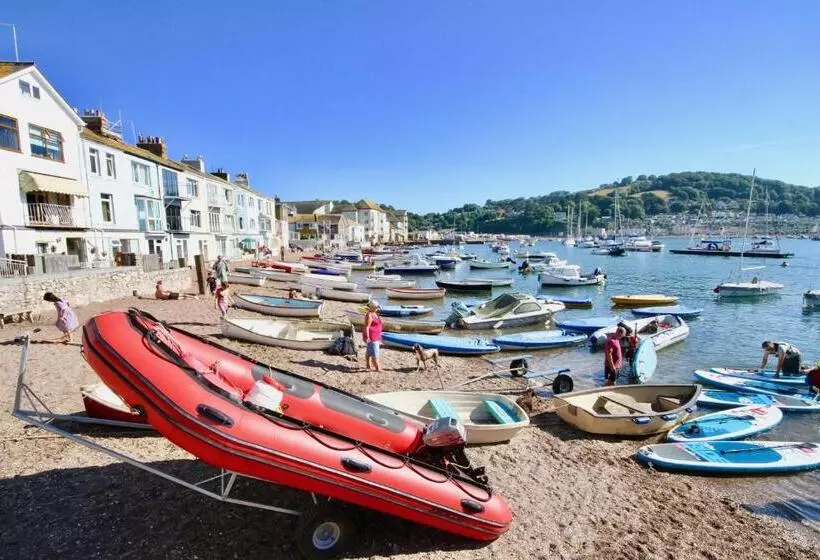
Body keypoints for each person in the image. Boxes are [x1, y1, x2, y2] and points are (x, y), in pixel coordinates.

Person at [362, 301, 383, 372]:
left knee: (369, 351)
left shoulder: (374, 313)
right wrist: (367, 337)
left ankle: (368, 365)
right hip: (372, 337)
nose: (378, 308)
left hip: (376, 336)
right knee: (375, 353)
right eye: (376, 307)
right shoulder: (369, 315)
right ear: (372, 307)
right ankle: (377, 368)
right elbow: (367, 327)